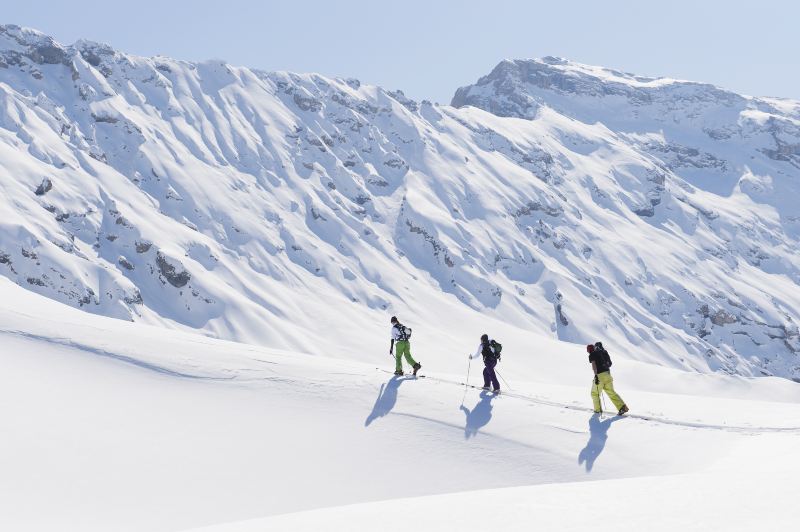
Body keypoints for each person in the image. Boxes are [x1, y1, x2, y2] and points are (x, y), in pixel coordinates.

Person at [587, 342, 629, 415]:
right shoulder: (603, 352)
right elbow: (609, 364)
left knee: (594, 393)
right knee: (611, 392)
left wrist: (596, 376)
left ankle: (598, 410)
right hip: (608, 374)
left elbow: (594, 365)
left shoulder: (592, 354)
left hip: (600, 376)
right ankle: (622, 407)